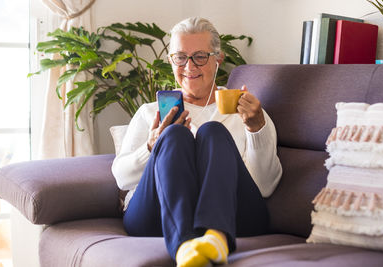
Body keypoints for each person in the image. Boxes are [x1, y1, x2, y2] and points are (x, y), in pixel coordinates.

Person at [112, 17, 282, 267]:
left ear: (218, 59)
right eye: (180, 57)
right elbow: (122, 178)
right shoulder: (150, 113)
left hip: (236, 217)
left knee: (213, 131)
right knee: (173, 135)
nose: (189, 66)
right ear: (171, 61)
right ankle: (184, 246)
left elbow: (265, 186)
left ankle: (216, 236)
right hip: (154, 217)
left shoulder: (246, 111)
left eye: (200, 56)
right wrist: (152, 147)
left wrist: (256, 130)